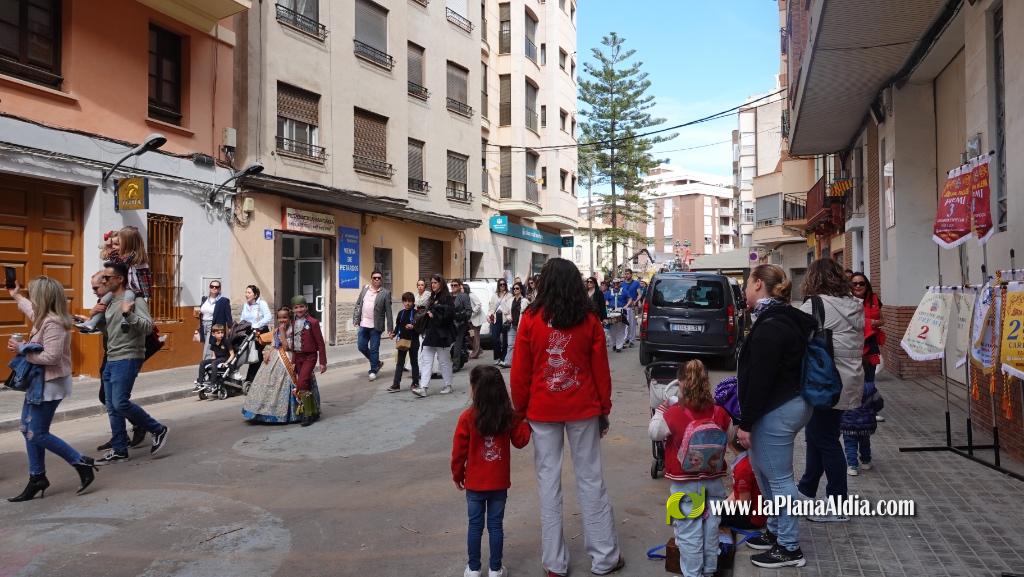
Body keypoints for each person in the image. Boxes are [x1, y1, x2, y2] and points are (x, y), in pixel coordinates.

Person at [510, 258, 624, 577]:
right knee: (591, 479)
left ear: (543, 283)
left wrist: (520, 411)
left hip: (542, 411)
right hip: (583, 409)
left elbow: (520, 372)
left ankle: (554, 563)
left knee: (548, 482)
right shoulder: (587, 319)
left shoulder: (531, 319)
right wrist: (604, 409)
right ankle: (604, 557)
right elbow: (601, 370)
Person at [735, 264, 815, 568]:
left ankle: (789, 547)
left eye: (746, 285)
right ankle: (775, 530)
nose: (744, 291)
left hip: (777, 407)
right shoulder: (783, 317)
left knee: (779, 478)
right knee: (764, 470)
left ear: (757, 284)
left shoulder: (771, 325)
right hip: (789, 403)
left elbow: (761, 379)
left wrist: (746, 422)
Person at [7, 277, 99, 501]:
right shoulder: (43, 317)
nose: (33, 298)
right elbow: (30, 310)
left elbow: (52, 356)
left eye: (34, 294)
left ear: (44, 297)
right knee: (27, 429)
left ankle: (80, 462)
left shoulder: (54, 322)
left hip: (49, 384)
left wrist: (22, 349)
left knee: (37, 432)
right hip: (38, 382)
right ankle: (37, 477)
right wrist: (16, 295)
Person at [796, 258, 864, 522]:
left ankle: (838, 505)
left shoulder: (815, 305)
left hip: (823, 382)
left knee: (824, 439)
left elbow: (795, 340)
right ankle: (807, 490)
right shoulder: (853, 305)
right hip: (847, 381)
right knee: (817, 436)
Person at [648, 360, 731, 577]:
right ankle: (710, 570)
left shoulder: (673, 413)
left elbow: (655, 433)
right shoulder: (719, 412)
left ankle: (693, 574)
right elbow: (729, 436)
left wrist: (661, 409)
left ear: (681, 384)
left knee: (688, 535)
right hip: (714, 483)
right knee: (711, 530)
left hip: (683, 486)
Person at [452, 365, 532, 577]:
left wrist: (458, 475)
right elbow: (521, 441)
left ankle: (474, 568)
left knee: (475, 526)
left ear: (475, 389)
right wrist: (527, 421)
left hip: (475, 484)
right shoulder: (508, 416)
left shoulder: (467, 417)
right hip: (499, 483)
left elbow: (458, 454)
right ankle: (496, 569)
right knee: (496, 526)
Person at [95, 262, 169, 463]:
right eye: (103, 277)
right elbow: (111, 332)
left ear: (119, 279)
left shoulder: (134, 299)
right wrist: (94, 318)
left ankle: (158, 429)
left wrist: (129, 313)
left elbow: (146, 327)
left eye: (107, 278)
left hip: (128, 357)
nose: (103, 281)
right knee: (111, 405)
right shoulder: (109, 301)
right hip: (112, 356)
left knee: (120, 402)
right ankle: (120, 448)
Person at [242, 306, 322, 424]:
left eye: (284, 317)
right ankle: (261, 412)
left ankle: (302, 411)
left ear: (290, 318)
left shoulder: (294, 330)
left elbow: (287, 347)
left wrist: (283, 333)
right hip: (275, 356)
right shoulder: (277, 329)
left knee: (300, 382)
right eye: (279, 318)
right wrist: (268, 353)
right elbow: (274, 344)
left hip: (290, 358)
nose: (282, 320)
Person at [76, 226, 152, 334]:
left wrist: (108, 247)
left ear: (127, 244)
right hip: (127, 288)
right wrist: (107, 247)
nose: (115, 247)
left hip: (134, 290)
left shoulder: (133, 256)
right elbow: (111, 259)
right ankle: (91, 323)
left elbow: (116, 260)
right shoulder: (126, 256)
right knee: (104, 299)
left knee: (126, 303)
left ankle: (125, 321)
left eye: (118, 244)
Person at [413, 275, 456, 397]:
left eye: (435, 282)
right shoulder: (432, 297)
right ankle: (423, 387)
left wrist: (435, 315)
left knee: (444, 361)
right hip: (431, 333)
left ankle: (448, 385)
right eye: (431, 283)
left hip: (442, 335)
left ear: (441, 283)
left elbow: (450, 315)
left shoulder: (447, 297)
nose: (433, 285)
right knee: (426, 360)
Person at [851, 272, 886, 422]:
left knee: (869, 378)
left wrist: (869, 322)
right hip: (853, 344)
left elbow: (882, 320)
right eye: (855, 283)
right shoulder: (846, 301)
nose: (858, 286)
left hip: (870, 343)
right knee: (854, 378)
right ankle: (854, 408)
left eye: (861, 283)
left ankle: (870, 409)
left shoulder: (874, 298)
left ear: (866, 285)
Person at [289, 295, 327, 426]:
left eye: (301, 306)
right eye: (296, 307)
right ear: (293, 309)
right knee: (307, 385)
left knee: (302, 383)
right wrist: (293, 361)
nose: (299, 309)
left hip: (310, 357)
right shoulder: (293, 323)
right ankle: (314, 411)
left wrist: (323, 362)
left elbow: (320, 343)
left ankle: (308, 414)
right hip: (298, 357)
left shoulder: (313, 322)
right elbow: (294, 344)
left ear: (306, 307)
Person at [353, 271, 394, 381]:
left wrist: (391, 329)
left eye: (379, 278)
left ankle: (373, 370)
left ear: (381, 280)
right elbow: (358, 304)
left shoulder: (385, 293)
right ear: (371, 279)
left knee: (374, 349)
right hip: (363, 324)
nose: (377, 280)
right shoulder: (365, 289)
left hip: (376, 326)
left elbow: (389, 312)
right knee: (361, 346)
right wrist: (355, 319)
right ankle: (377, 363)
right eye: (374, 278)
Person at [840, 381, 884, 475]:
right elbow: (879, 403)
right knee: (865, 442)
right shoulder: (870, 388)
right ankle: (866, 462)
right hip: (866, 423)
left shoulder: (844, 386)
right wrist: (872, 411)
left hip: (848, 423)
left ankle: (852, 466)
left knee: (850, 445)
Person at [194, 279, 231, 368]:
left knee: (208, 347)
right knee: (207, 347)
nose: (214, 288)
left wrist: (230, 328)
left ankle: (205, 366)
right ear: (209, 288)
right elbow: (202, 313)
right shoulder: (204, 299)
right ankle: (211, 367)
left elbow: (228, 316)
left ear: (219, 289)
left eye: (217, 287)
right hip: (204, 325)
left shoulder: (223, 301)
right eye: (212, 286)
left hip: (214, 326)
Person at [240, 285, 273, 383]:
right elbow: (243, 318)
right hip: (249, 332)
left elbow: (268, 317)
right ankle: (251, 379)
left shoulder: (261, 304)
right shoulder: (246, 305)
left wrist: (257, 325)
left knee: (256, 355)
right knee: (249, 355)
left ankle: (251, 379)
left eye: (249, 293)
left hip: (260, 332)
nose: (247, 295)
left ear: (255, 294)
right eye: (246, 292)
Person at [388, 292, 420, 393]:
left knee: (414, 362)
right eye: (405, 301)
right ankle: (396, 384)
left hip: (413, 341)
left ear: (413, 302)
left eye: (409, 301)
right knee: (400, 363)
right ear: (403, 302)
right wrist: (394, 333)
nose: (407, 303)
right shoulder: (401, 313)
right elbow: (398, 326)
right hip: (402, 341)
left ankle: (415, 383)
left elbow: (420, 328)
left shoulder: (416, 313)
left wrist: (413, 327)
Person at [194, 324, 234, 391]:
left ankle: (213, 384)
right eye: (218, 333)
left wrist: (227, 363)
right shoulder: (213, 342)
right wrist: (209, 361)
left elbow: (232, 354)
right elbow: (214, 355)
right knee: (203, 362)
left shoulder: (226, 341)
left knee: (214, 363)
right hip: (217, 359)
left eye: (222, 332)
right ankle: (200, 382)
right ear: (213, 334)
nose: (221, 334)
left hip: (225, 358)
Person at [500, 282, 528, 368]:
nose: (515, 290)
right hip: (512, 325)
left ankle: (522, 362)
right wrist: (508, 317)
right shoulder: (510, 300)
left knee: (521, 345)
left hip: (521, 325)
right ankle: (508, 362)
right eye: (514, 288)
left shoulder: (525, 301)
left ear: (521, 290)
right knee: (511, 345)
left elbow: (526, 314)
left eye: (517, 288)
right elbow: (504, 309)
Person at [488, 279, 512, 363]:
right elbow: (491, 307)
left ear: (506, 285)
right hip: (496, 317)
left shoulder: (509, 295)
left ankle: (503, 358)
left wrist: (506, 313)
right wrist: (490, 314)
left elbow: (510, 308)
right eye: (500, 284)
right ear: (498, 285)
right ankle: (497, 357)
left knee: (505, 339)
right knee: (495, 338)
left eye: (504, 284)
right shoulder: (494, 295)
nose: (502, 286)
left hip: (505, 318)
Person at [451, 279, 473, 372]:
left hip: (460, 324)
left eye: (455, 285)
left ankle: (455, 365)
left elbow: (469, 310)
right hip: (449, 324)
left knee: (457, 344)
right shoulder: (448, 296)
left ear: (460, 286)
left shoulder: (463, 296)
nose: (453, 287)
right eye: (451, 285)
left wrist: (461, 318)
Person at [607, 279, 629, 353]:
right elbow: (606, 300)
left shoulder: (624, 291)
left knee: (621, 329)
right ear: (612, 284)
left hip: (621, 312)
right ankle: (614, 344)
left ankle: (619, 346)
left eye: (617, 283)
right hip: (611, 312)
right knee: (612, 329)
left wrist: (626, 306)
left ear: (620, 283)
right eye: (614, 283)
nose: (616, 284)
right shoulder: (609, 292)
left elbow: (630, 299)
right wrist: (606, 304)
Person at [621, 269, 641, 346]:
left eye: (628, 274)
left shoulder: (636, 283)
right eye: (625, 274)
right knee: (625, 324)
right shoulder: (622, 284)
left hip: (633, 306)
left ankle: (632, 340)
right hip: (624, 306)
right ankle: (625, 339)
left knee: (632, 324)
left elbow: (639, 294)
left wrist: (636, 301)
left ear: (631, 274)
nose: (626, 275)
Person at [468, 284, 486, 360]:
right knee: (470, 335)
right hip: (470, 321)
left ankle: (475, 353)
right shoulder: (464, 296)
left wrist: (472, 312)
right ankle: (478, 349)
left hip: (476, 320)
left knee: (476, 336)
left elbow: (478, 304)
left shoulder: (471, 295)